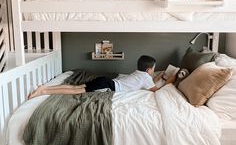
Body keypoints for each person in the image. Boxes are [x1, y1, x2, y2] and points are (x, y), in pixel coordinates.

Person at [29, 55, 176, 99]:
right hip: (106, 86)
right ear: (149, 70)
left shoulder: (141, 74)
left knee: (76, 87)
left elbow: (152, 83)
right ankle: (44, 91)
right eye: (154, 70)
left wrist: (161, 74)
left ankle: (45, 88)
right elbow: (156, 89)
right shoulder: (146, 79)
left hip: (106, 81)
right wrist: (170, 79)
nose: (154, 71)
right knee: (75, 91)